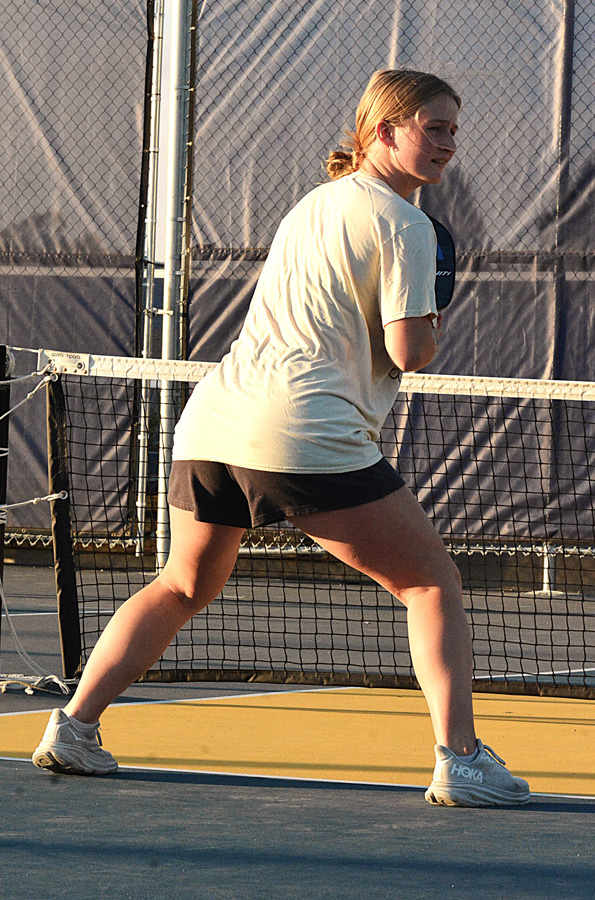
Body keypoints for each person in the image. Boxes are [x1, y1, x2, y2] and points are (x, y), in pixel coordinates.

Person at [33, 69, 530, 807]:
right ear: (383, 130)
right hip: (305, 430)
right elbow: (408, 352)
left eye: (453, 130)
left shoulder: (313, 205)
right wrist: (430, 317)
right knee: (431, 583)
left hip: (213, 424)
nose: (447, 143)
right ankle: (461, 762)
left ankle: (73, 727)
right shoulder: (406, 225)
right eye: (433, 127)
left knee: (181, 584)